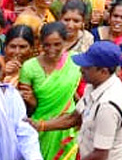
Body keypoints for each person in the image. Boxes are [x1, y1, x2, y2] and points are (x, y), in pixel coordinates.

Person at [34, 40, 122, 160]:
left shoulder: (107, 107)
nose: (81, 70)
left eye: (87, 67)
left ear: (103, 71)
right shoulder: (94, 85)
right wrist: (39, 125)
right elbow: (74, 118)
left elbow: (100, 155)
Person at [18, 21, 80, 160]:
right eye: (47, 44)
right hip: (38, 127)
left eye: (57, 44)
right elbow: (24, 105)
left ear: (65, 42)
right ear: (40, 43)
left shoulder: (75, 61)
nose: (52, 49)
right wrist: (31, 101)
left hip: (65, 125)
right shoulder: (29, 67)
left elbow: (75, 92)